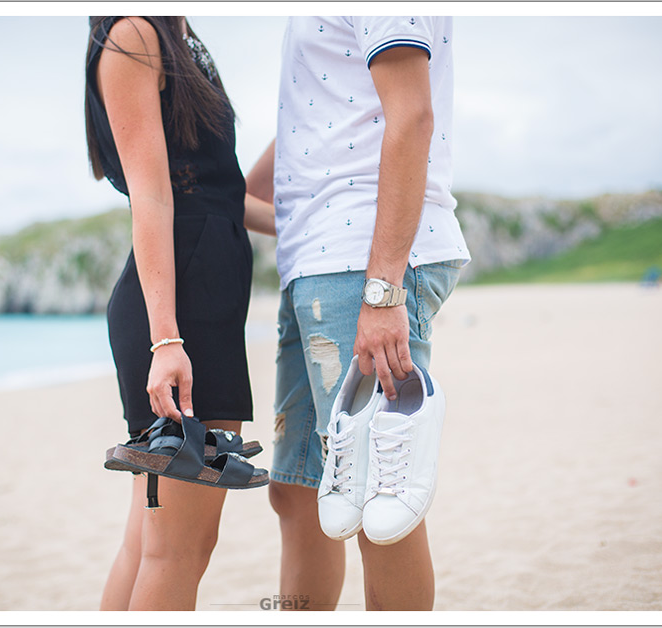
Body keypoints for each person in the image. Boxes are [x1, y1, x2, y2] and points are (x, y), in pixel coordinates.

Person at [246, 16, 470, 610]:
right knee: (297, 491)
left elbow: (413, 115)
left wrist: (382, 291)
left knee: (381, 504)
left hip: (359, 260)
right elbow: (323, 113)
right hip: (313, 262)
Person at [84, 16, 274, 611]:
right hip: (181, 304)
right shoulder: (133, 33)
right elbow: (153, 191)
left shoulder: (176, 35)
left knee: (152, 543)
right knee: (178, 549)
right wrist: (166, 339)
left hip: (202, 293)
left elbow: (218, 189)